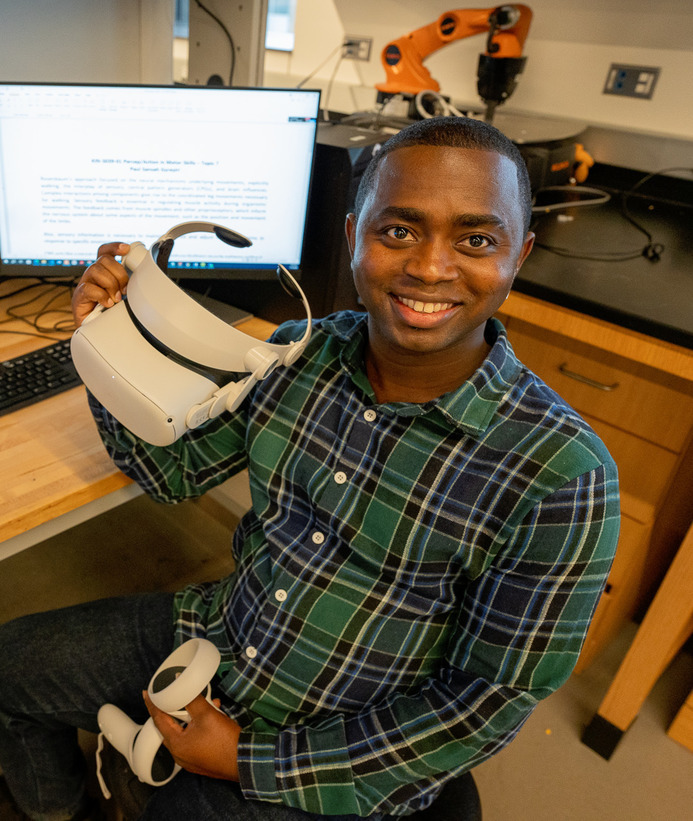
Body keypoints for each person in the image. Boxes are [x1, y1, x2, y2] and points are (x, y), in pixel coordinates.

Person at [0, 116, 620, 821]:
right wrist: (105, 341)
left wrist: (245, 761)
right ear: (354, 235)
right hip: (220, 633)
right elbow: (173, 473)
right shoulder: (300, 351)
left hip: (335, 738)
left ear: (519, 256)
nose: (429, 266)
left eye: (475, 239)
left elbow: (479, 706)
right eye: (398, 231)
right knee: (9, 665)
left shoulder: (562, 476)